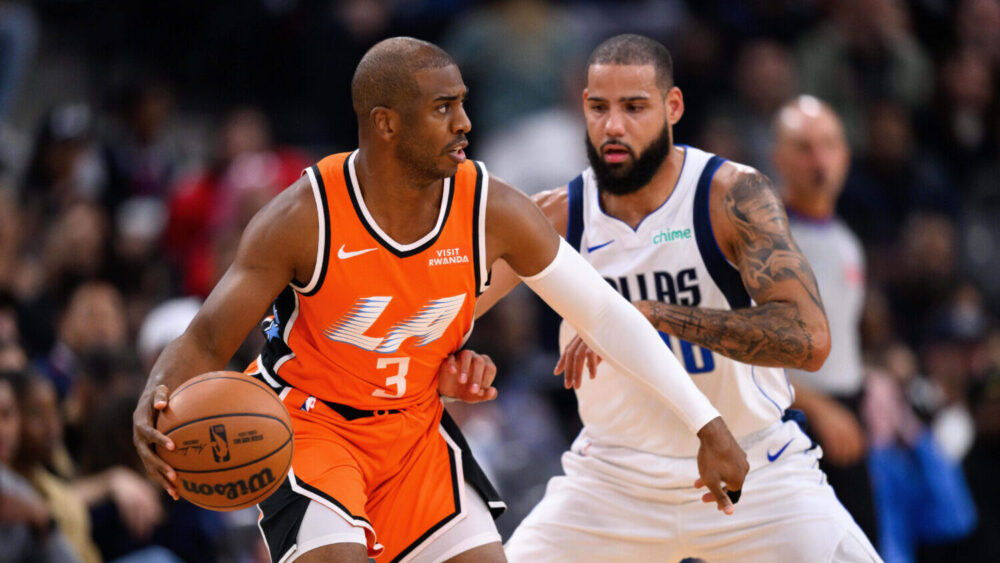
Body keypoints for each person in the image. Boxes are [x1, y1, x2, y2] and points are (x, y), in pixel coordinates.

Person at [132, 37, 748, 563]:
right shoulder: (303, 216)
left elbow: (605, 313)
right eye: (443, 108)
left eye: (463, 104)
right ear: (386, 123)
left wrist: (707, 422)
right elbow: (208, 338)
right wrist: (155, 400)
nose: (464, 123)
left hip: (414, 434)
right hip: (309, 425)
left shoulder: (493, 210)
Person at [466, 34, 881, 562]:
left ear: (673, 107)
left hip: (756, 470)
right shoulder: (555, 215)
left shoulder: (730, 195)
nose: (613, 125)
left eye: (634, 107)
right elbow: (439, 314)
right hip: (612, 482)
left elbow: (809, 340)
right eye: (599, 107)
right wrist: (454, 360)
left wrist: (653, 316)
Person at [773, 94, 879, 545]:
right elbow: (738, 351)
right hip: (791, 417)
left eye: (829, 144)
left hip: (848, 415)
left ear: (845, 156)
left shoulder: (846, 241)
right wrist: (818, 407)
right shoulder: (762, 239)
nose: (819, 158)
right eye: (804, 146)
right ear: (778, 156)